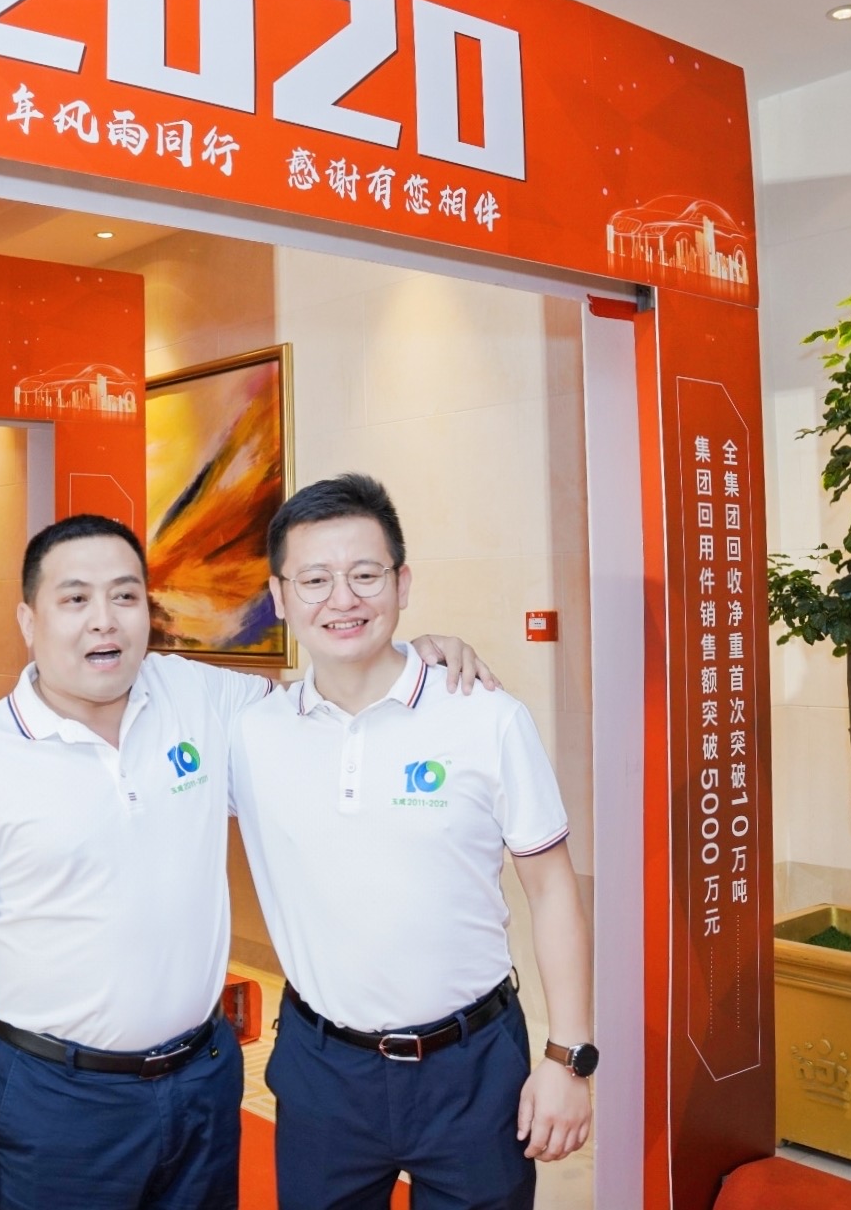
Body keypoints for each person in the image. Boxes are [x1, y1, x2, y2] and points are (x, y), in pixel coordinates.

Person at [0, 514, 496, 1210]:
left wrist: (402, 657)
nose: (104, 620)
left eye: (125, 595)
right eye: (75, 599)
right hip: (59, 1099)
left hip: (203, 1081)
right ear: (29, 620)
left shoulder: (198, 697)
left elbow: (323, 703)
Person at [230, 474, 595, 1210]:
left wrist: (568, 1057)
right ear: (279, 596)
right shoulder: (249, 733)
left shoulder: (484, 715)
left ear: (401, 583)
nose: (342, 598)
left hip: (472, 1066)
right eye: (315, 579)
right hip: (322, 1069)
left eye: (365, 575)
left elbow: (553, 889)